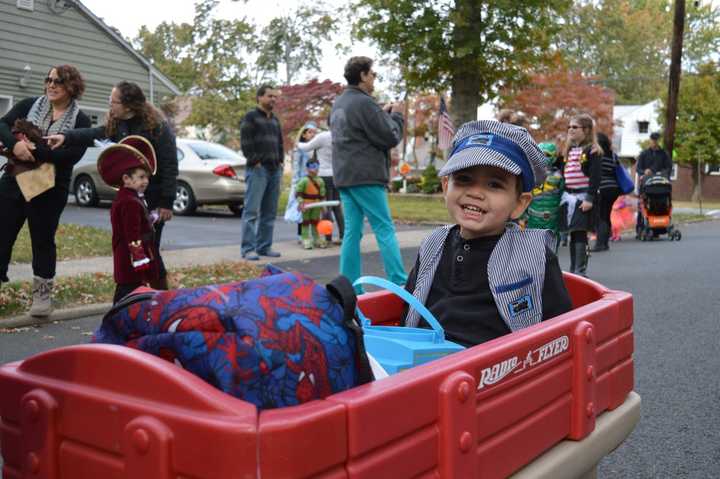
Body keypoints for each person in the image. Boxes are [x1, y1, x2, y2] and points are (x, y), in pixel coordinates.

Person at [403, 121, 572, 348]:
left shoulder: (533, 256)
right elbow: (408, 307)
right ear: (446, 187)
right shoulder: (433, 244)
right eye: (463, 179)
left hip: (498, 373)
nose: (475, 192)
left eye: (494, 184)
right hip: (422, 363)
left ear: (520, 204)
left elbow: (560, 330)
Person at [46, 81, 177, 290]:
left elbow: (170, 165)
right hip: (128, 199)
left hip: (152, 198)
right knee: (128, 247)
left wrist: (166, 202)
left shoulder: (157, 127)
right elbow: (95, 134)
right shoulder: (117, 123)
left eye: (113, 102)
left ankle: (157, 293)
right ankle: (134, 295)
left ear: (129, 105)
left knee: (149, 247)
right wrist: (66, 136)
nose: (110, 105)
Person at [0, 65, 91, 317]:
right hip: (15, 178)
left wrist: (32, 150)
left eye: (58, 81)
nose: (51, 85)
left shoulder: (80, 121)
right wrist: (15, 146)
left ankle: (42, 295)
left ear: (71, 86)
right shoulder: (30, 105)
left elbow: (69, 156)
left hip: (50, 186)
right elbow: (2, 125)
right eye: (48, 79)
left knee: (42, 240)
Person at [330, 56, 407, 292]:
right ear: (363, 75)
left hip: (344, 175)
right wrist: (397, 116)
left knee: (352, 232)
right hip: (366, 175)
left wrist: (381, 114)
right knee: (384, 228)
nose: (374, 78)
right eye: (372, 74)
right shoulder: (364, 103)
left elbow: (360, 129)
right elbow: (390, 136)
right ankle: (399, 281)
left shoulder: (340, 103)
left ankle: (350, 286)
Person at [97, 138, 159, 304]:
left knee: (130, 291)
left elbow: (136, 223)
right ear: (126, 179)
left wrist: (149, 219)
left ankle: (124, 320)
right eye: (141, 177)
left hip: (129, 256)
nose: (145, 181)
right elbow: (131, 232)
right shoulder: (129, 202)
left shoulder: (129, 198)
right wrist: (139, 258)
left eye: (146, 177)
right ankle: (116, 322)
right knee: (127, 291)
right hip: (130, 257)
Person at [239, 85, 284, 261]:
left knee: (269, 212)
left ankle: (264, 247)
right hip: (258, 169)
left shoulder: (275, 120)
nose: (273, 99)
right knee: (251, 212)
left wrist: (280, 161)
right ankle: (248, 249)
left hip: (274, 170)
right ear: (259, 98)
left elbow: (280, 143)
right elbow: (245, 142)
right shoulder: (250, 117)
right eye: (269, 96)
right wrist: (255, 161)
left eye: (275, 96)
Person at [560, 114, 602, 276]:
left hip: (583, 198)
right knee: (573, 232)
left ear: (586, 130)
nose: (570, 130)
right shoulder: (569, 150)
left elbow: (596, 177)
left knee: (580, 232)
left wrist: (589, 198)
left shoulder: (592, 151)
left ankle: (580, 269)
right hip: (569, 197)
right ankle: (573, 268)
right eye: (569, 127)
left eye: (575, 127)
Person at [297, 125, 344, 244]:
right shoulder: (341, 136)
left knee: (325, 207)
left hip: (323, 175)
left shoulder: (323, 136)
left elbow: (306, 147)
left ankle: (328, 237)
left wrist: (297, 142)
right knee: (337, 207)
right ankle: (343, 236)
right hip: (336, 175)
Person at [526, 142, 564, 254]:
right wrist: (522, 217)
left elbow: (563, 196)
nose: (543, 157)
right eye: (540, 154)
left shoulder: (559, 176)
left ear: (554, 156)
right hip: (533, 219)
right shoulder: (530, 174)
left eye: (547, 154)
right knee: (532, 253)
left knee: (550, 254)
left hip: (552, 220)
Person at [284, 123, 316, 242]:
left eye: (314, 132)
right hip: (303, 181)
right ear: (303, 134)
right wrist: (296, 183)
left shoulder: (316, 147)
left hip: (315, 182)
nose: (313, 135)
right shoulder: (299, 148)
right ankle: (301, 235)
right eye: (310, 132)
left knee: (314, 208)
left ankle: (313, 234)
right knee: (302, 208)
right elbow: (296, 166)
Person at [635, 132, 672, 236]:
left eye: (656, 140)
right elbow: (638, 168)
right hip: (646, 185)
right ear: (650, 140)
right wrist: (643, 172)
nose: (655, 142)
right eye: (653, 140)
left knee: (661, 204)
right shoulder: (644, 153)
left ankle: (659, 228)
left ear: (659, 140)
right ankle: (640, 228)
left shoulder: (664, 154)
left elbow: (669, 167)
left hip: (660, 185)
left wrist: (662, 173)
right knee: (643, 206)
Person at [591, 132, 621, 252]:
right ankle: (605, 243)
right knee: (606, 215)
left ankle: (600, 244)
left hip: (601, 188)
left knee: (600, 216)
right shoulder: (613, 155)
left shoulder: (597, 154)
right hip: (613, 188)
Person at [295, 159, 327, 250]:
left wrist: (323, 205)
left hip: (316, 204)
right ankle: (306, 238)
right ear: (308, 169)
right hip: (306, 204)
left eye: (317, 166)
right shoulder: (304, 180)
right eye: (313, 167)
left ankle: (316, 238)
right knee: (305, 222)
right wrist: (301, 202)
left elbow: (322, 194)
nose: (315, 169)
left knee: (315, 221)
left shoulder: (320, 181)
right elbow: (298, 192)